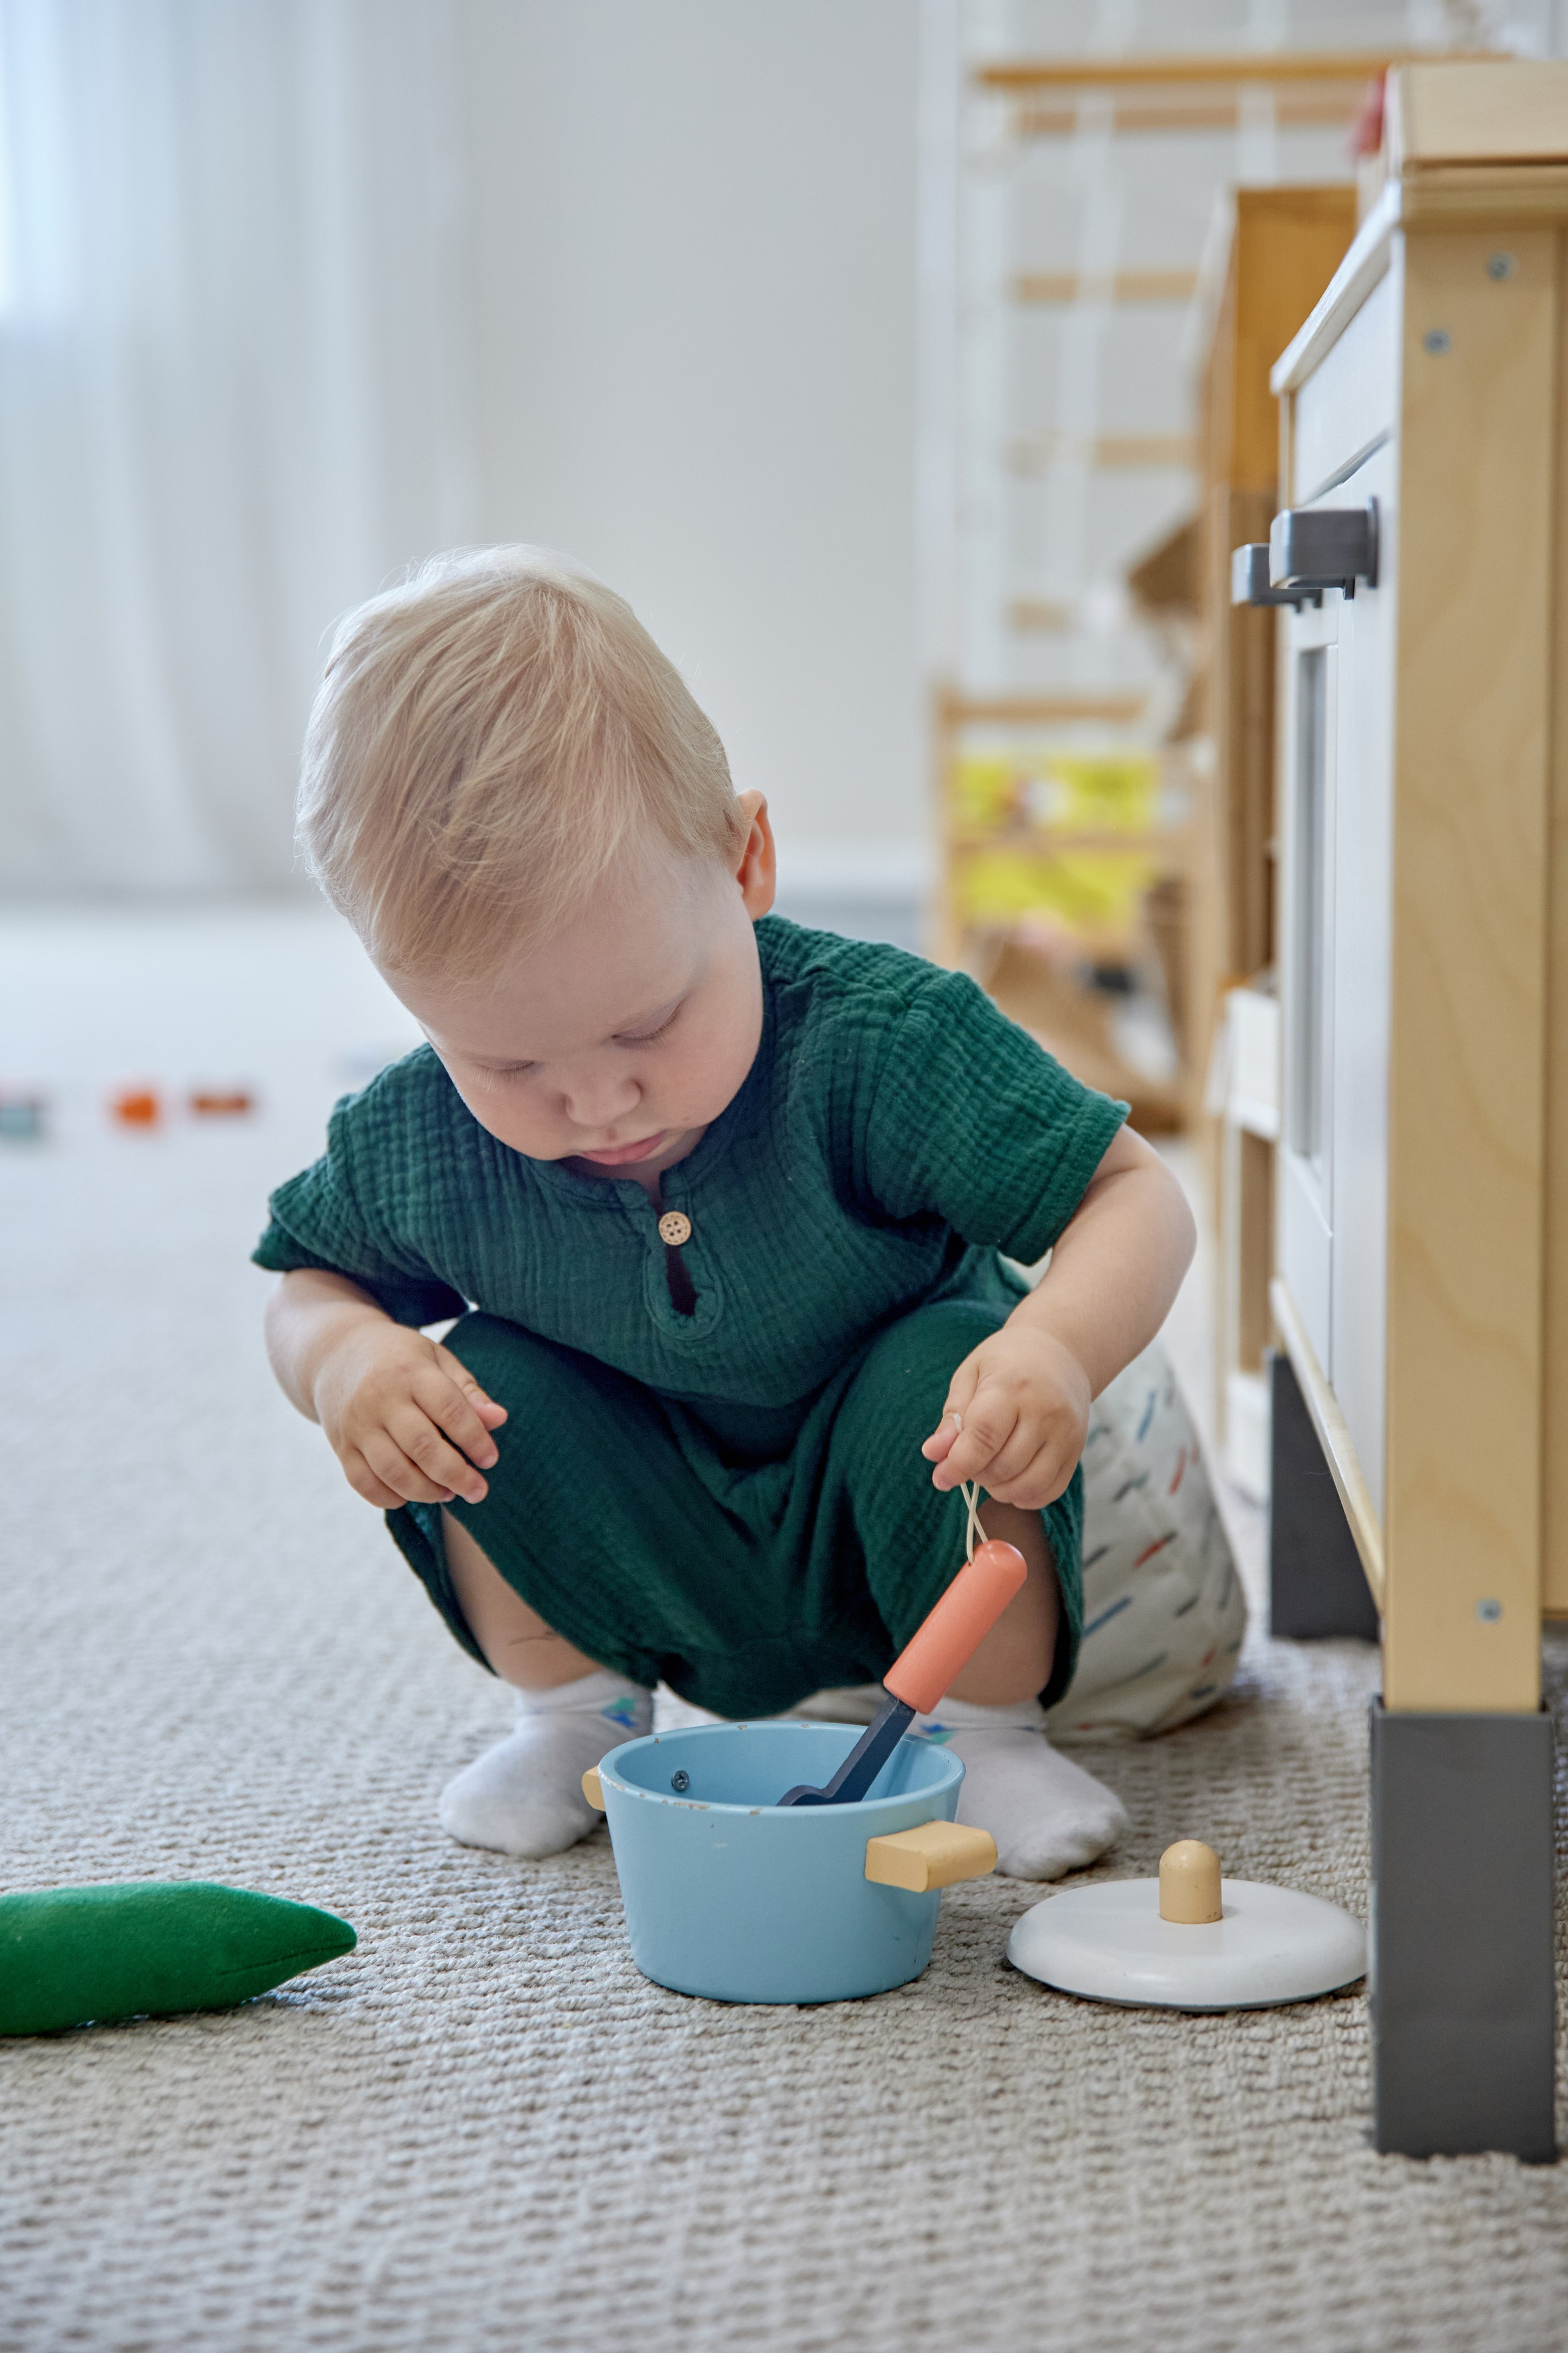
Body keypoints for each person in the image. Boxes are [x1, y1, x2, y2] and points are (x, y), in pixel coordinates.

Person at [256, 547, 1240, 1881]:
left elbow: (1135, 1193)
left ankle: (985, 1731)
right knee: (469, 1387)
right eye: (510, 1062)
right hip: (659, 1534)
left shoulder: (882, 1040)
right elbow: (307, 1284)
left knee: (943, 1366)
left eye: (647, 1023)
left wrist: (1055, 1348)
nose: (597, 1101)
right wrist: (345, 1361)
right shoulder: (421, 1135)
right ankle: (574, 1711)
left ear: (745, 860)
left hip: (893, 1501)